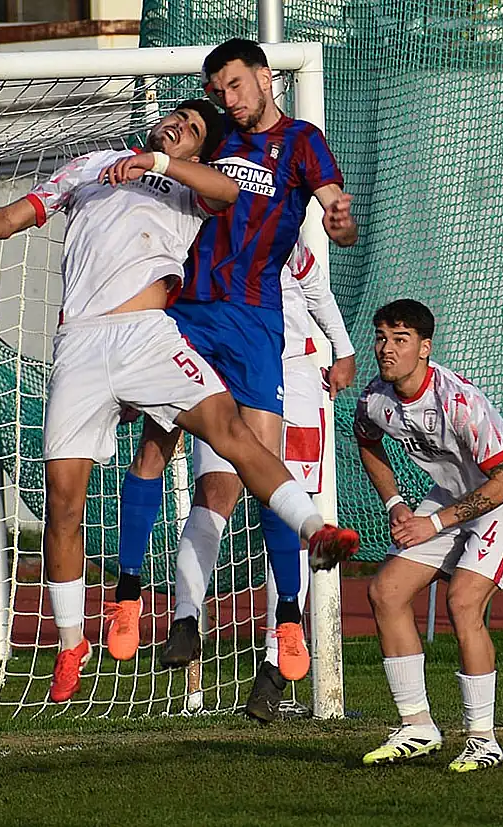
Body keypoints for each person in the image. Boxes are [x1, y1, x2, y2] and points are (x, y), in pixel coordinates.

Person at [0, 99, 356, 703]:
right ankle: (72, 642)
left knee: (231, 432)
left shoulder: (188, 188)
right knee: (63, 501)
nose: (179, 125)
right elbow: (14, 217)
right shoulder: (90, 166)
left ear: (199, 151)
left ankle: (316, 531)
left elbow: (229, 192)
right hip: (79, 345)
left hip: (150, 337)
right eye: (178, 116)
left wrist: (160, 163)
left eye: (195, 129)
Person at [108, 38, 358, 685]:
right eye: (218, 91)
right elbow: (175, 154)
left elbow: (335, 203)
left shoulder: (300, 141)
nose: (229, 99)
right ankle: (130, 593)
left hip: (253, 323)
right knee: (154, 448)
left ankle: (287, 617)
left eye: (236, 85)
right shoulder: (217, 135)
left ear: (266, 77)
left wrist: (339, 218)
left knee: (264, 468)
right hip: (189, 315)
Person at [115, 241, 356, 722]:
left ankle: (277, 657)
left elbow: (314, 283)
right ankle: (185, 618)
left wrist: (343, 349)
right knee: (214, 494)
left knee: (286, 500)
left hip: (292, 370)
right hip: (219, 365)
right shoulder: (190, 228)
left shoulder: (274, 222)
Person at [343, 298, 503, 773]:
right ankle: (416, 727)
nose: (387, 349)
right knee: (386, 592)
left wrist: (433, 523)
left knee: (462, 601)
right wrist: (395, 504)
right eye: (381, 338)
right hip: (455, 496)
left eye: (401, 339)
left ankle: (483, 739)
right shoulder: (376, 399)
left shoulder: (458, 402)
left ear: (425, 347)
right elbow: (366, 439)